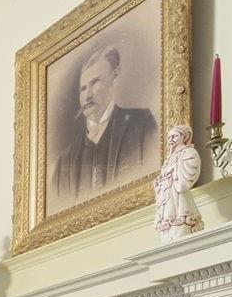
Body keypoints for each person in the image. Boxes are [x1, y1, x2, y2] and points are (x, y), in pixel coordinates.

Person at [51, 43, 158, 208]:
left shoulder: (142, 125)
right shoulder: (64, 162)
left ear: (114, 76)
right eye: (83, 88)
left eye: (95, 82)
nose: (87, 96)